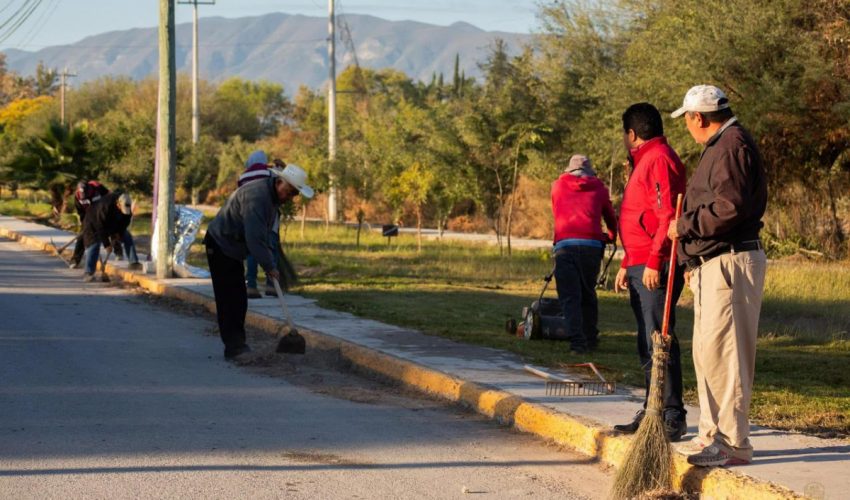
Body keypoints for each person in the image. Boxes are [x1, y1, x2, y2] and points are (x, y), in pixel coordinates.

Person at [667, 85, 767, 466]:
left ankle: (733, 442)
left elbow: (730, 207)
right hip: (713, 263)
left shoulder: (731, 145)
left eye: (688, 120)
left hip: (731, 262)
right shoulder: (721, 145)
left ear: (699, 118)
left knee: (727, 355)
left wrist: (685, 225)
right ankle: (712, 434)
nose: (688, 127)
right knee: (708, 353)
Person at [612, 103, 688, 441]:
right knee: (646, 339)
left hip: (655, 263)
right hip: (638, 262)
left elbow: (666, 214)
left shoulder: (657, 159)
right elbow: (638, 214)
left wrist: (654, 260)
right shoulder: (643, 160)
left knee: (659, 338)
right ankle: (652, 407)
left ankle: (671, 413)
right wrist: (627, 262)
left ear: (631, 134)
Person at [204, 161, 314, 360]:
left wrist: (270, 261)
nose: (290, 198)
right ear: (279, 182)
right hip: (220, 245)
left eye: (294, 195)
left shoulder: (271, 199)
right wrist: (269, 266)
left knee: (239, 299)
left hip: (233, 248)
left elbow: (264, 235)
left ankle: (237, 344)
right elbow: (254, 238)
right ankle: (234, 348)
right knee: (229, 299)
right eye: (289, 193)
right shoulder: (258, 197)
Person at [550, 154, 617, 354]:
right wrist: (611, 235)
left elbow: (557, 211)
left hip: (565, 245)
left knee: (570, 296)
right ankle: (590, 338)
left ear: (569, 170)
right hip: (592, 246)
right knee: (588, 292)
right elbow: (610, 215)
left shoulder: (558, 186)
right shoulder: (599, 188)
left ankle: (577, 343)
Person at [238, 150, 283, 299]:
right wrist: (281, 167)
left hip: (249, 218)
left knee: (253, 251)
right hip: (269, 219)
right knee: (271, 249)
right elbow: (285, 183)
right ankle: (271, 286)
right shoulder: (271, 173)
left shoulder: (243, 176)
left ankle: (251, 286)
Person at [81, 191, 142, 282]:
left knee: (127, 236)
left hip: (112, 223)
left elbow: (125, 223)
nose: (125, 212)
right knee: (94, 244)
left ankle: (134, 262)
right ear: (118, 204)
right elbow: (100, 226)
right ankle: (88, 272)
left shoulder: (127, 206)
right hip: (93, 223)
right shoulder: (105, 206)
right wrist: (107, 245)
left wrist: (119, 235)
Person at [70, 180, 109, 268]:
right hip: (88, 216)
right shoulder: (77, 196)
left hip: (102, 214)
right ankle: (75, 260)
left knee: (107, 233)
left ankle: (119, 253)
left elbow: (109, 198)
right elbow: (80, 211)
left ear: (89, 189)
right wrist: (84, 223)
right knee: (82, 236)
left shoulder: (98, 188)